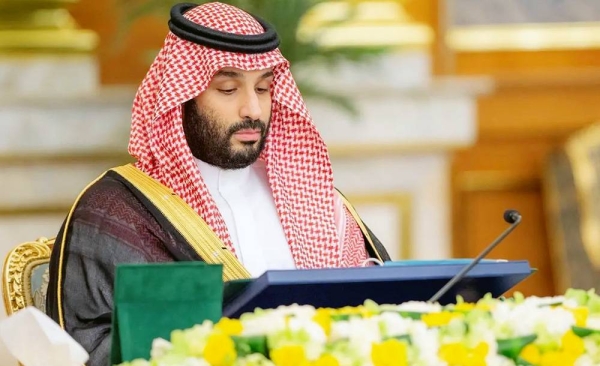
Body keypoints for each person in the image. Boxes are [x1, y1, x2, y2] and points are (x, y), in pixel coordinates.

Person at [45, 2, 390, 365]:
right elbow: (85, 348)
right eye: (228, 89)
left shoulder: (315, 200)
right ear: (182, 97)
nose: (253, 110)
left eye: (263, 88)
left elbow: (378, 311)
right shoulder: (118, 211)